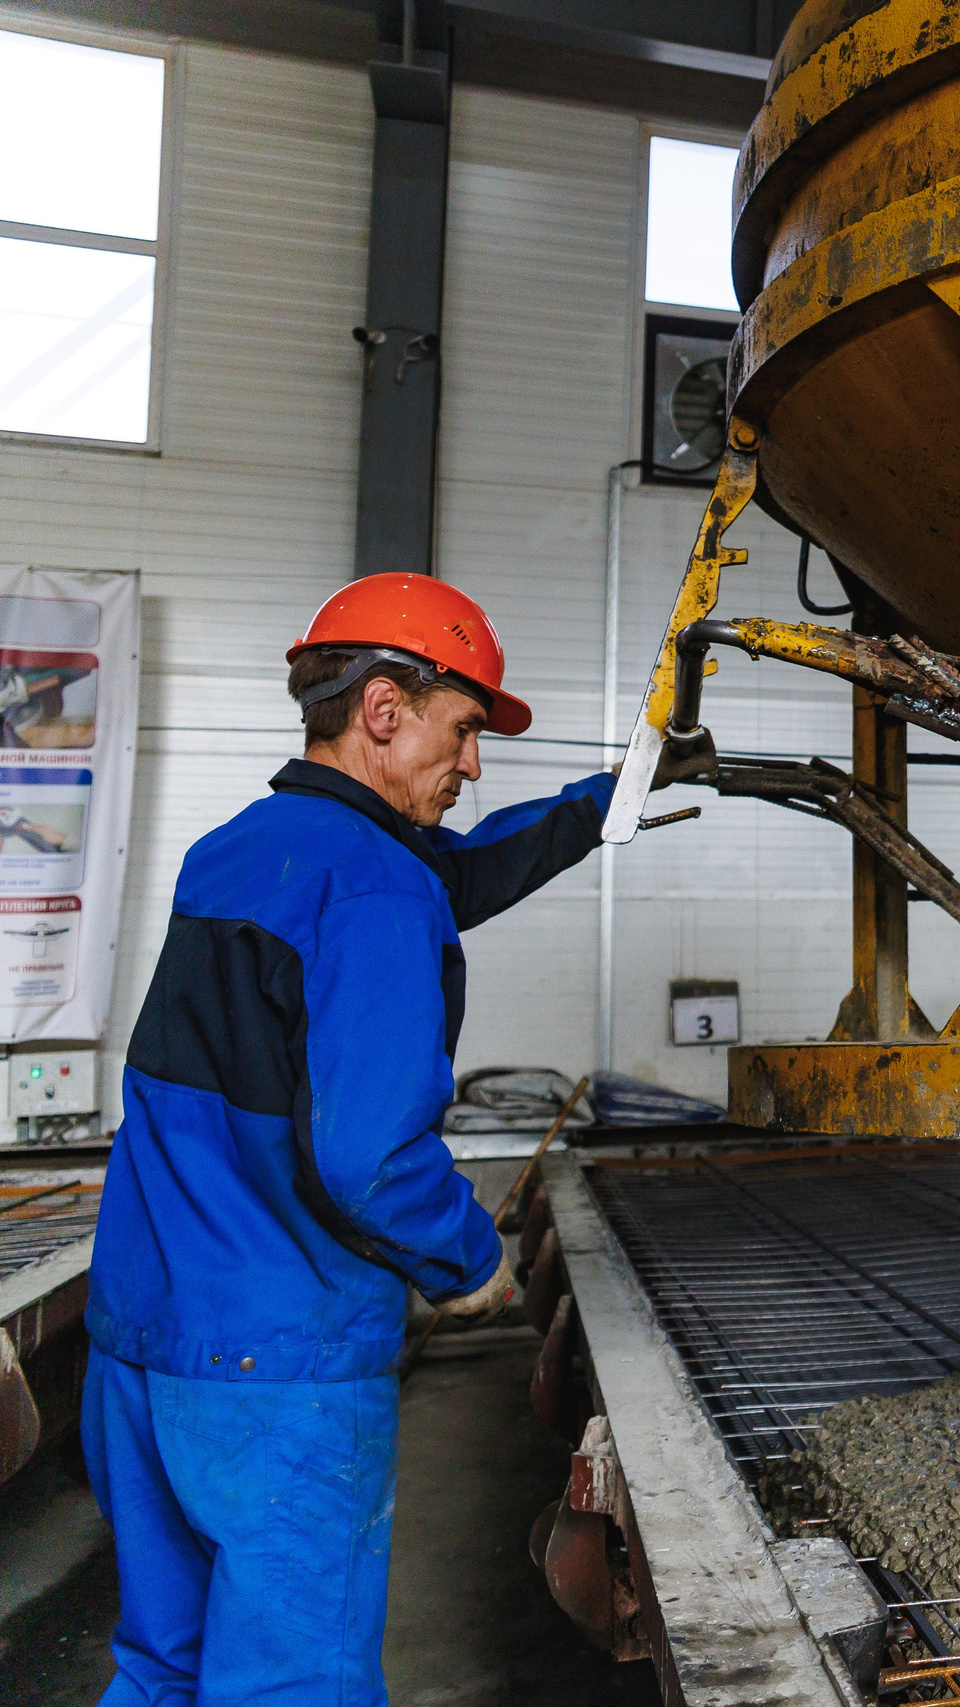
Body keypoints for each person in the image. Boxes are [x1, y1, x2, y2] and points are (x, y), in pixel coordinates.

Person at [81, 573, 637, 1705]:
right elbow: (370, 1159)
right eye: (465, 730)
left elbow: (462, 874)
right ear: (384, 709)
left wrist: (603, 801)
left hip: (140, 1346)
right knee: (295, 1686)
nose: (474, 766)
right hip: (277, 1375)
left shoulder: (241, 849)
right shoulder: (379, 885)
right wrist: (470, 1263)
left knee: (161, 1667)